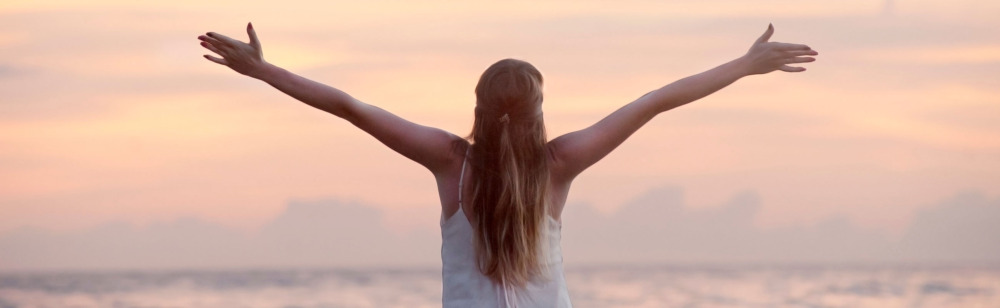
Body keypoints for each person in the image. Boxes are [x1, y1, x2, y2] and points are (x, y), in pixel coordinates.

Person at [198, 22, 817, 308]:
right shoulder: (562, 162)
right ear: (539, 111)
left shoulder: (450, 162)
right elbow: (656, 101)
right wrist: (743, 65)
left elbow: (348, 107)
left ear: (479, 105)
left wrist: (262, 70)